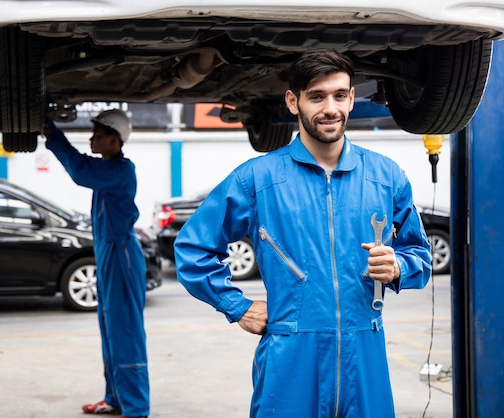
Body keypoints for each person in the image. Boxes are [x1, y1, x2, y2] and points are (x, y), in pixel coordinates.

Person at [173, 49, 432, 417]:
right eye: (317, 96)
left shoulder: (387, 177)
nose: (330, 108)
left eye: (340, 95)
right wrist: (237, 306)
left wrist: (399, 268)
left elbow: (419, 254)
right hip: (291, 357)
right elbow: (192, 249)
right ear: (293, 102)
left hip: (365, 355)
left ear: (352, 98)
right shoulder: (257, 179)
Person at [43, 110, 149, 418]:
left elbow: (79, 170)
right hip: (107, 254)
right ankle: (115, 399)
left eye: (98, 135)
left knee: (125, 332)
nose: (92, 139)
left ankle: (136, 408)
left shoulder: (119, 171)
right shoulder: (108, 168)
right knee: (110, 331)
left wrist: (52, 133)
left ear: (114, 140)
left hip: (121, 256)